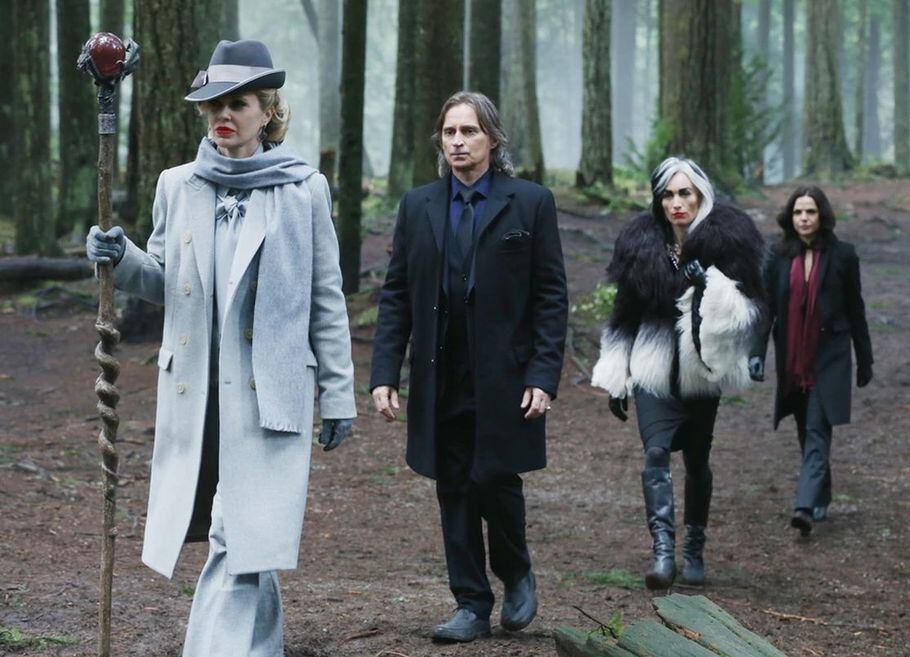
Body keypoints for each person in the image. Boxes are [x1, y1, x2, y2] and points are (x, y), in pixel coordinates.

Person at [85, 40, 355, 656]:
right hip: (196, 391)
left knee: (240, 532)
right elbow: (164, 282)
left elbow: (326, 296)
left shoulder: (304, 189)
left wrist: (339, 393)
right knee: (244, 535)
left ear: (268, 111)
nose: (222, 115)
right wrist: (120, 257)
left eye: (238, 103)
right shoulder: (178, 185)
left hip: (269, 391)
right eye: (212, 105)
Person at [370, 91, 568, 642]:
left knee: (495, 477)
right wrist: (385, 373)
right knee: (454, 484)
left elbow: (551, 296)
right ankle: (471, 604)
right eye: (450, 132)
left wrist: (543, 375)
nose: (458, 142)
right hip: (440, 373)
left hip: (507, 374)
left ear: (493, 139)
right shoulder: (418, 206)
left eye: (470, 131)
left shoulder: (531, 203)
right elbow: (397, 296)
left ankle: (516, 571)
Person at [591, 157, 765, 589]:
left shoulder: (728, 239)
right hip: (651, 366)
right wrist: (616, 374)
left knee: (697, 459)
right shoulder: (640, 244)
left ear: (701, 195)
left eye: (685, 193)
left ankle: (694, 549)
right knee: (655, 452)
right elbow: (624, 313)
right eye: (667, 195)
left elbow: (750, 311)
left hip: (702, 370)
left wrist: (711, 286)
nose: (676, 203)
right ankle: (663, 552)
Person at [749, 186, 873, 537]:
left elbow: (856, 309)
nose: (804, 218)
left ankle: (803, 506)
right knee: (807, 430)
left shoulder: (843, 256)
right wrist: (756, 353)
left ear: (822, 216)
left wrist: (865, 360)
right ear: (790, 217)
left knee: (818, 427)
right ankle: (822, 493)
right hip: (792, 359)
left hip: (830, 358)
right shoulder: (777, 256)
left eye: (811, 212)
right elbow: (766, 309)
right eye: (798, 212)